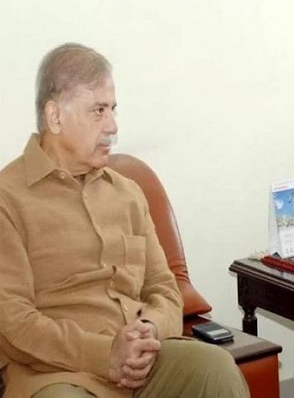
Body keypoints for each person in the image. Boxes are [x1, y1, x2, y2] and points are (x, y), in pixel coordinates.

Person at [0, 43, 249, 397]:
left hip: (144, 362)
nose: (112, 126)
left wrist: (150, 329)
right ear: (55, 117)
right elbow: (13, 322)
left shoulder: (127, 193)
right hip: (59, 373)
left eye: (113, 109)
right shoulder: (8, 199)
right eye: (98, 111)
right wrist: (105, 354)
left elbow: (164, 288)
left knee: (215, 368)